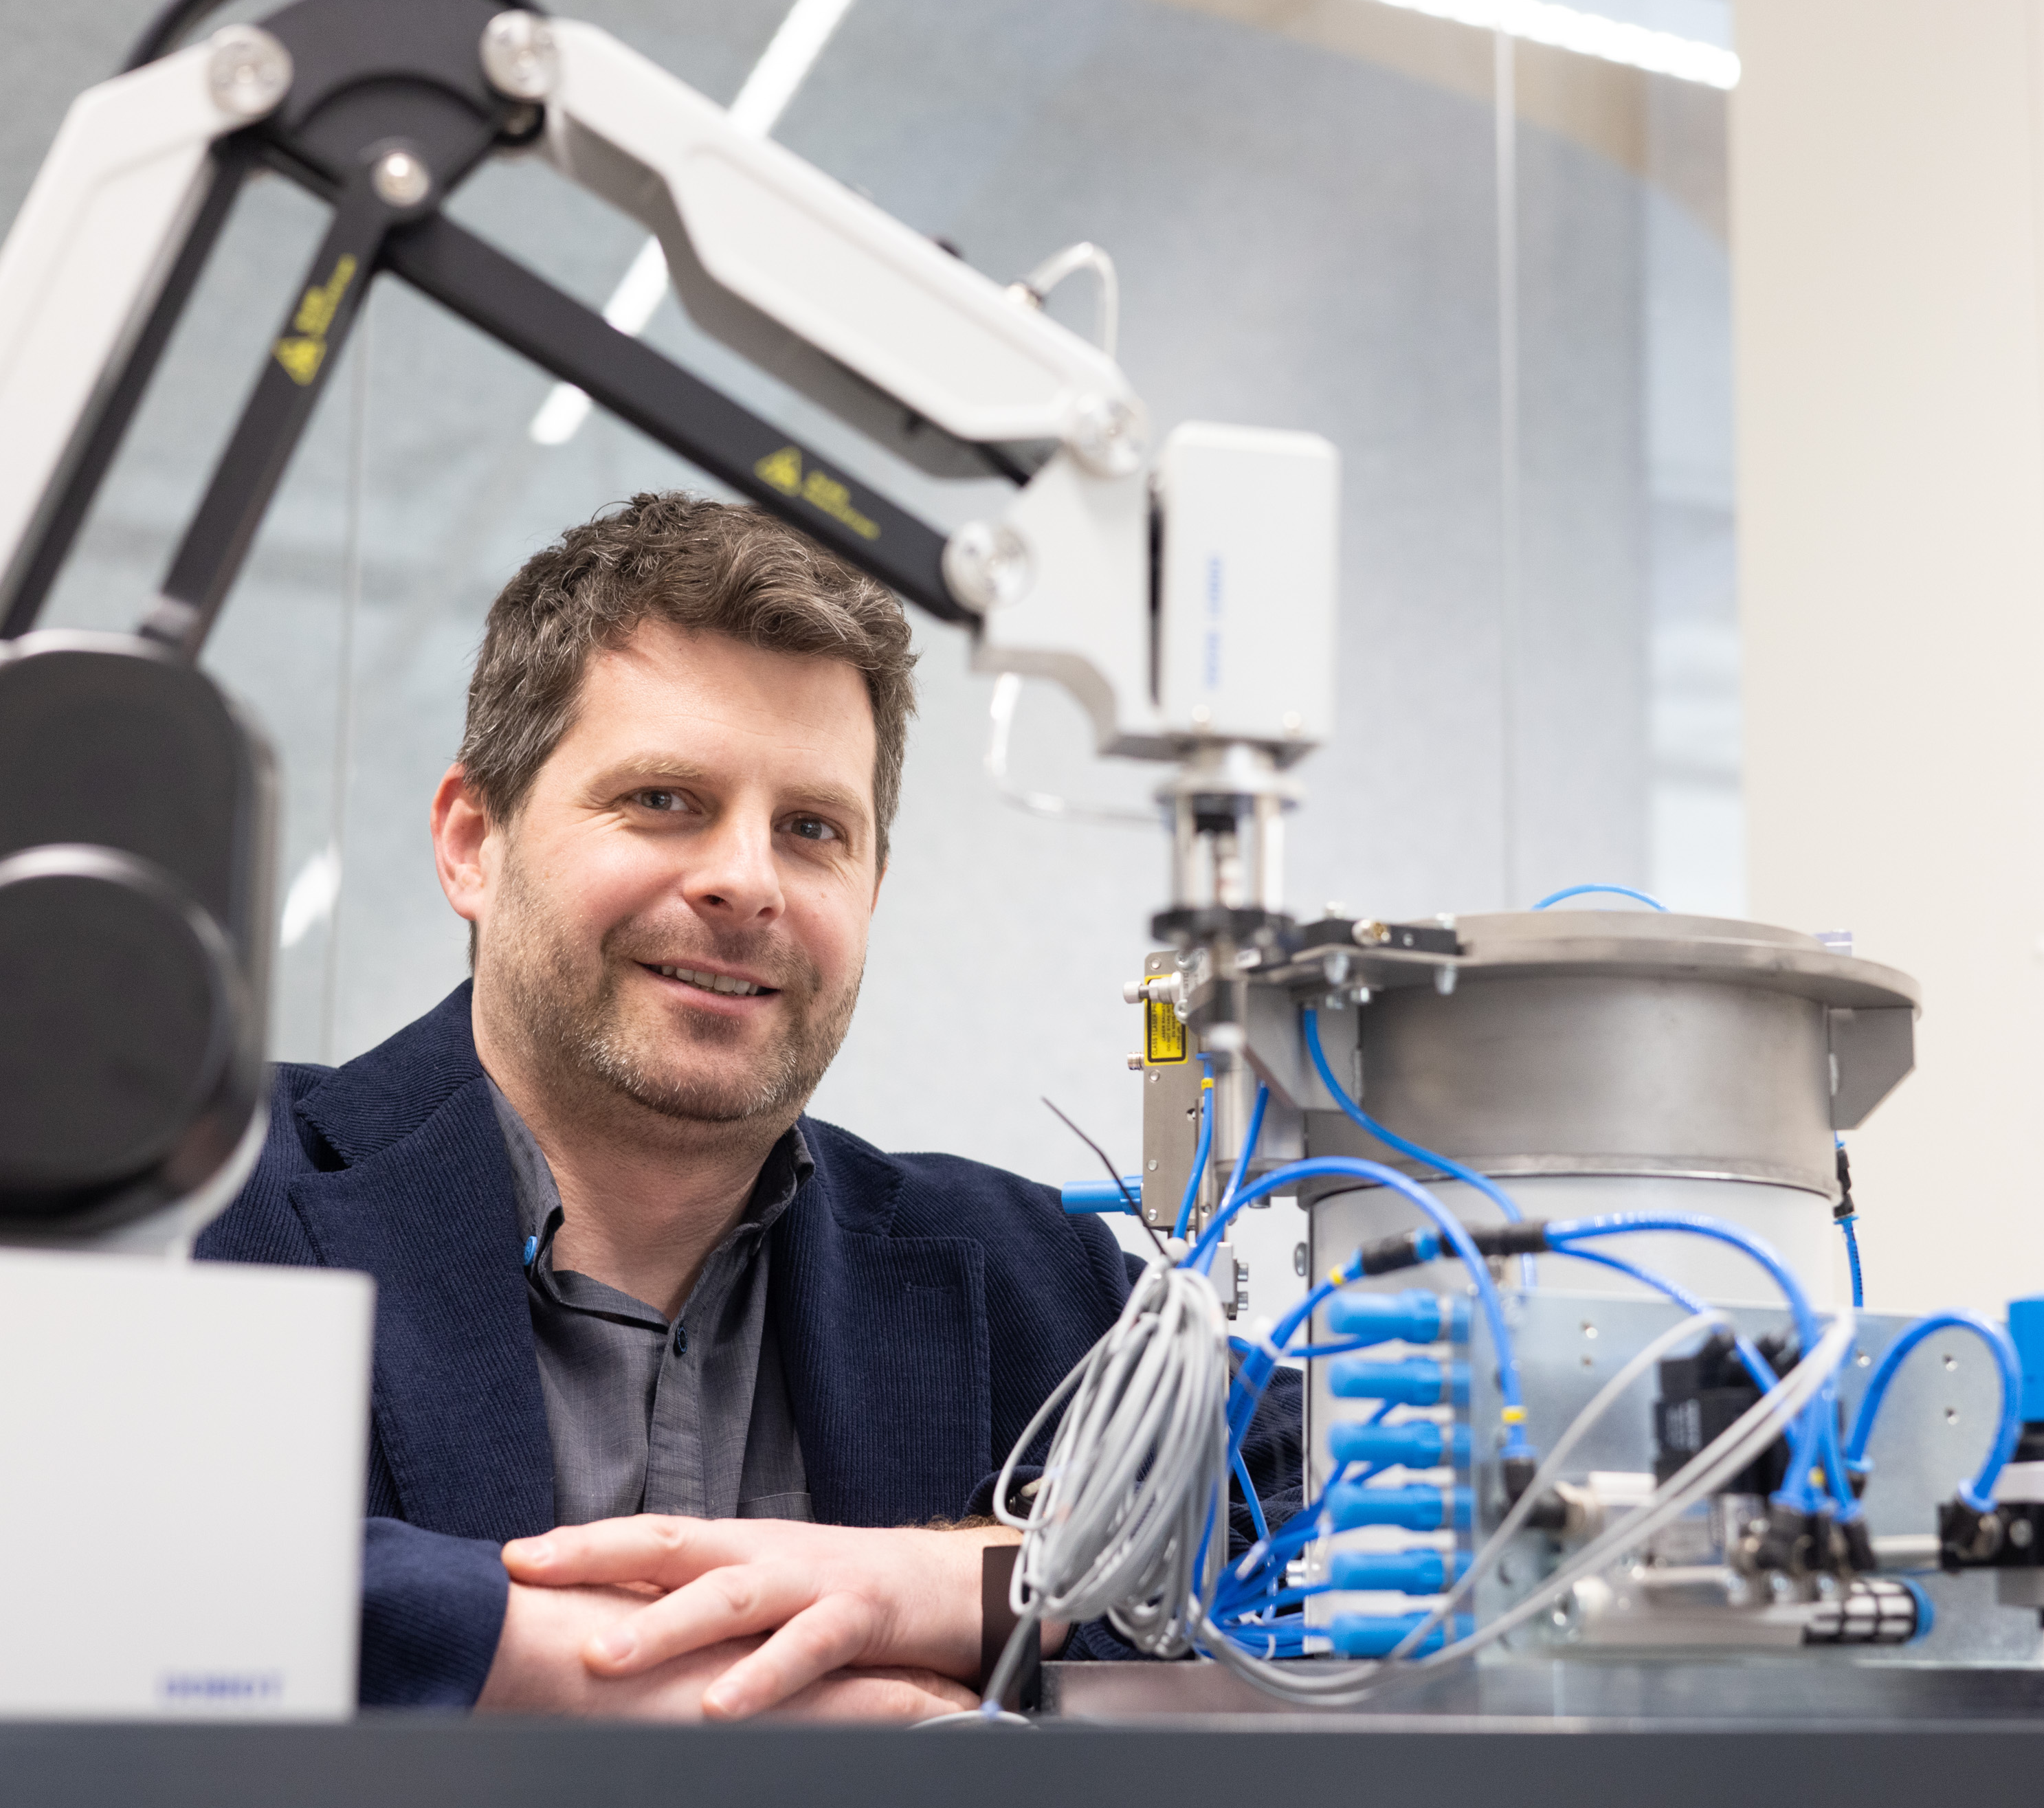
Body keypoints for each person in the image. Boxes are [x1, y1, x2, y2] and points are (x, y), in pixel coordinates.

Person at [198, 493, 1300, 1717]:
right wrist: (566, 1664)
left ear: (871, 886)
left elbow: (1365, 1521)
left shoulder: (1030, 1275)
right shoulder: (203, 1197)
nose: (745, 880)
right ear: (473, 842)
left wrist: (967, 1583)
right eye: (663, 799)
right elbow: (83, 1523)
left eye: (812, 828)